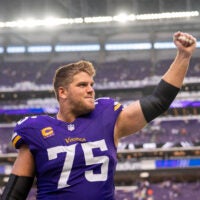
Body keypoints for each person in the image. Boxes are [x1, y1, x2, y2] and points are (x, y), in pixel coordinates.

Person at [1, 31, 196, 200]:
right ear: (62, 92)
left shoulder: (107, 119)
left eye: (91, 85)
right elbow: (15, 193)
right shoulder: (36, 130)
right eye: (82, 85)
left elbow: (158, 101)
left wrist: (183, 56)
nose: (90, 90)